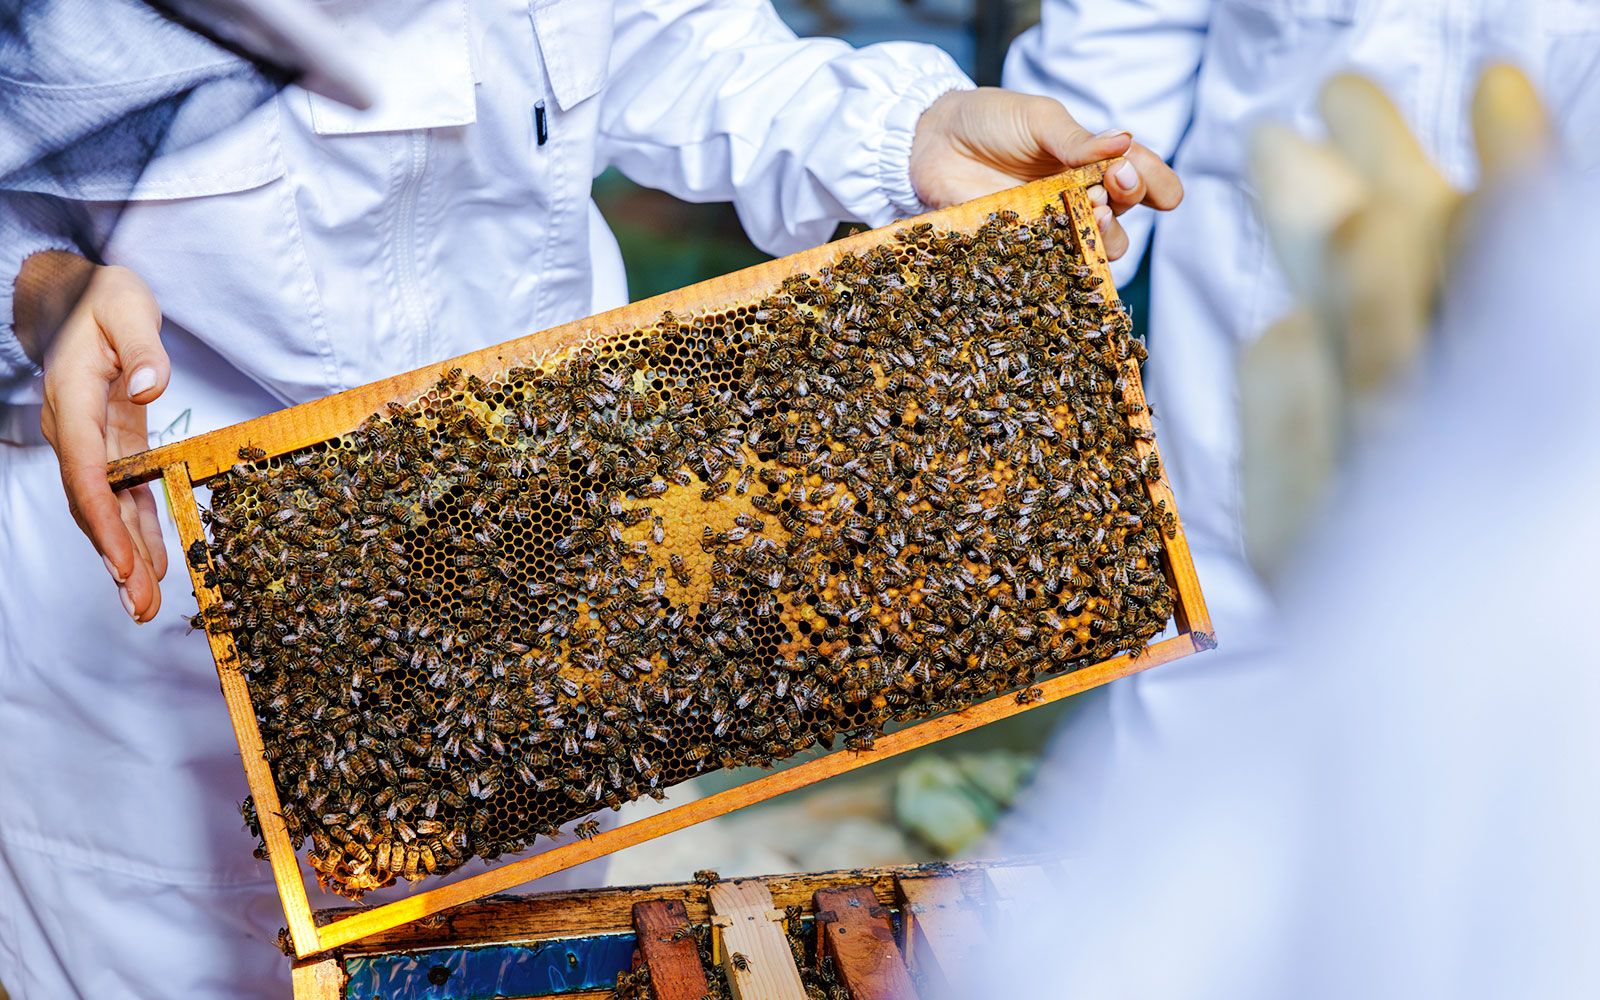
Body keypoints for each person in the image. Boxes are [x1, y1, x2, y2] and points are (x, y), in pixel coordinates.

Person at [0, 1, 1180, 994]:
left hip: (553, 621)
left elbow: (669, 38)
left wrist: (898, 132)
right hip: (157, 662)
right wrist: (41, 292)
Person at [1000, 0, 1600, 872]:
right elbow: (1120, 45)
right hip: (1246, 438)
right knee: (1185, 876)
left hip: (1557, 431)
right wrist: (1040, 251)